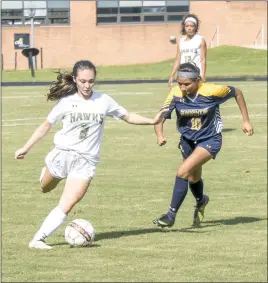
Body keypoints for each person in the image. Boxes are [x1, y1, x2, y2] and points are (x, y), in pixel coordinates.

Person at [14, 60, 167, 249]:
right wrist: (26, 148)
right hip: (62, 155)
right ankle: (45, 173)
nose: (87, 85)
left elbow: (127, 116)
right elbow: (46, 126)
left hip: (86, 161)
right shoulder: (66, 102)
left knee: (67, 203)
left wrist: (152, 121)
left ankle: (38, 239)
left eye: (91, 81)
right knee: (45, 188)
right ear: (75, 79)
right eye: (83, 81)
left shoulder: (104, 100)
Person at [153, 62, 254, 228]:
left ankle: (170, 215)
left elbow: (238, 92)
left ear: (198, 80)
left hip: (210, 140)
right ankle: (201, 200)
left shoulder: (212, 90)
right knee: (193, 177)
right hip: (187, 141)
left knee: (182, 171)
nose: (183, 87)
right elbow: (161, 115)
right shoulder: (175, 93)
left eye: (187, 84)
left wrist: (246, 120)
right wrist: (159, 134)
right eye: (180, 83)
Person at [168, 14, 207, 87]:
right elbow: (177, 60)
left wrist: (203, 75)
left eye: (191, 26)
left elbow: (203, 60)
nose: (189, 28)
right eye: (187, 26)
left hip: (195, 75)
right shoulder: (181, 41)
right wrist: (172, 75)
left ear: (195, 27)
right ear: (184, 27)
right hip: (183, 75)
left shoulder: (200, 40)